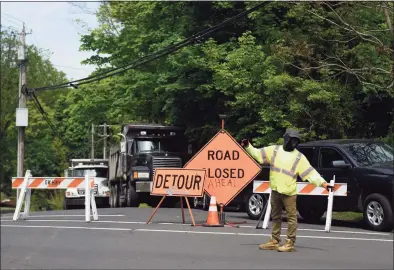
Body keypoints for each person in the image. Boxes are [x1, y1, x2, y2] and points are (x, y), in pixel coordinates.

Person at [241, 128, 331, 252]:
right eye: (292, 140)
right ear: (286, 139)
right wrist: (248, 146)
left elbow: (310, 173)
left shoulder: (299, 157)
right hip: (276, 189)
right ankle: (274, 240)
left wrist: (323, 183)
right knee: (276, 216)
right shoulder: (275, 150)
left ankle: (290, 242)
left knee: (291, 217)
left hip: (289, 192)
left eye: (295, 141)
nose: (293, 143)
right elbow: (258, 154)